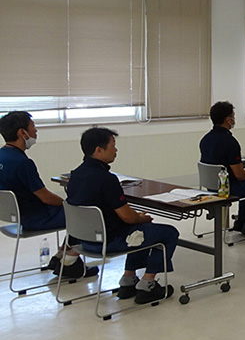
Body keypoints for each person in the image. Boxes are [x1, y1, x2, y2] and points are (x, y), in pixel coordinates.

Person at [67, 127, 179, 303]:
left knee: (140, 229)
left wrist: (137, 220)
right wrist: (141, 217)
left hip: (84, 241)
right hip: (109, 241)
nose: (116, 150)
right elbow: (127, 217)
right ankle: (147, 283)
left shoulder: (75, 175)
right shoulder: (107, 179)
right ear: (99, 150)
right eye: (113, 145)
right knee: (168, 233)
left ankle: (129, 279)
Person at [0, 111, 93, 278]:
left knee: (76, 211)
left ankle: (59, 256)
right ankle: (70, 262)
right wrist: (69, 205)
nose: (36, 131)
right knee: (84, 214)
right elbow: (45, 197)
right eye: (33, 127)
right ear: (22, 133)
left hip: (18, 215)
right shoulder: (23, 163)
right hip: (35, 217)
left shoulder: (2, 156)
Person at [199, 101, 245, 237]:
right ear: (228, 120)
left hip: (211, 187)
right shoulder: (230, 143)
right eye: (233, 116)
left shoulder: (205, 139)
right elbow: (240, 175)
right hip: (228, 188)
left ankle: (241, 222)